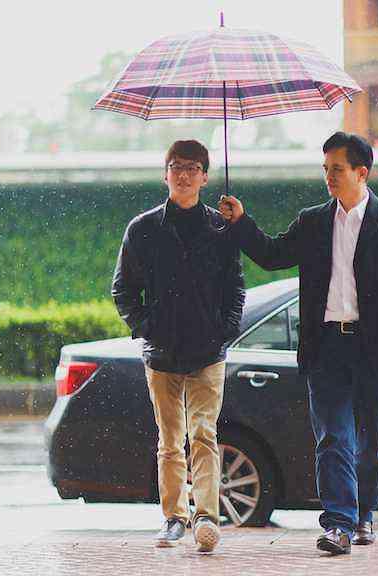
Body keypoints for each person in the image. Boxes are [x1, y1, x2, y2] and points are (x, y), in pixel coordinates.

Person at [218, 131, 378, 555]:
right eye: (325, 168)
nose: (329, 176)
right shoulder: (312, 221)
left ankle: (364, 515)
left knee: (372, 445)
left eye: (337, 169)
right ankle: (339, 525)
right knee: (333, 438)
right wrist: (241, 223)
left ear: (362, 173)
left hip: (374, 348)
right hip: (326, 345)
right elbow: (272, 254)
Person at [112, 140, 244, 553]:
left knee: (204, 435)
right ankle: (173, 517)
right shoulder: (143, 229)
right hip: (162, 353)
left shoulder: (221, 228)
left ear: (205, 177)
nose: (184, 175)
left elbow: (235, 287)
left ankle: (206, 517)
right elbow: (123, 289)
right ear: (165, 174)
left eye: (192, 168)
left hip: (208, 352)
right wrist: (147, 328)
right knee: (169, 441)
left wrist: (225, 331)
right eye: (176, 167)